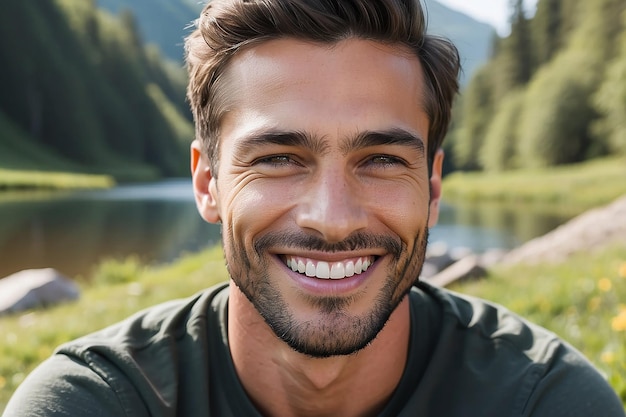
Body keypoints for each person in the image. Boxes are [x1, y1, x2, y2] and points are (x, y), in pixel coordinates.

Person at [3, 0, 624, 416]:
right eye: (278, 158)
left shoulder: (547, 403)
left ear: (433, 188)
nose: (332, 218)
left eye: (381, 159)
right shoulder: (89, 404)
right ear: (207, 183)